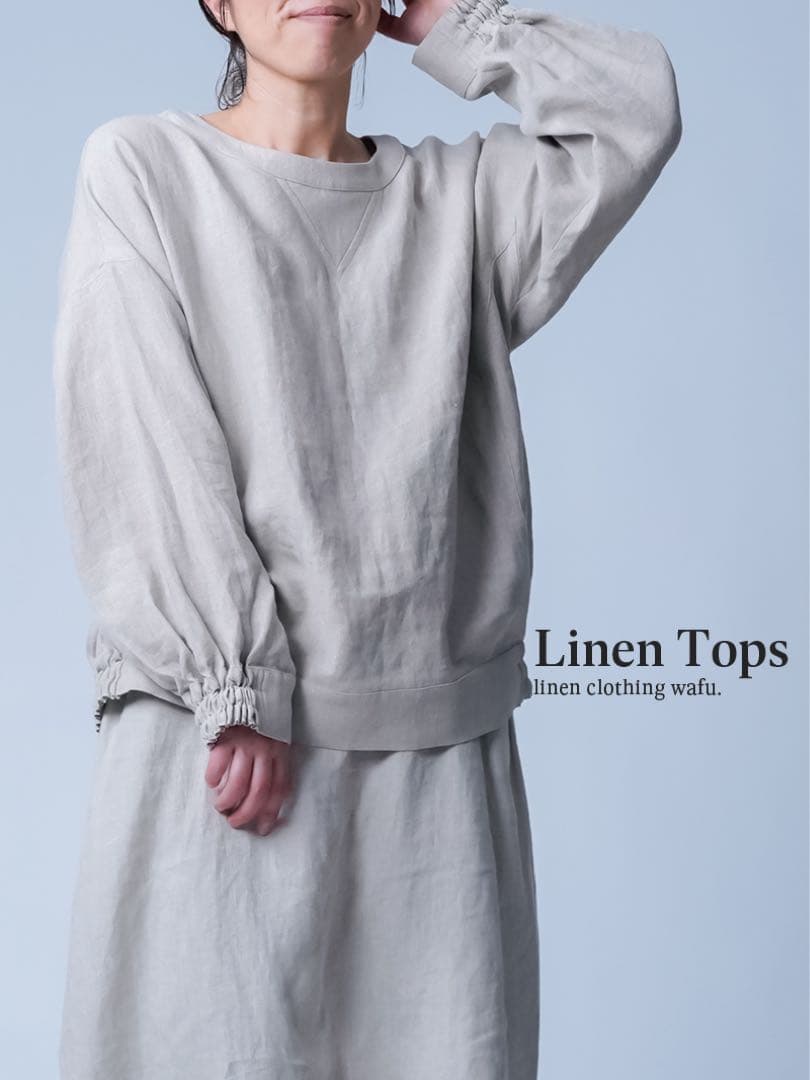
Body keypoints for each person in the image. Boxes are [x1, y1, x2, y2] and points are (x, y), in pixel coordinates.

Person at [52, 0, 682, 1076]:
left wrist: (455, 23)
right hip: (229, 764)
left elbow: (633, 114)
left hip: (440, 789)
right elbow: (140, 435)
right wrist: (238, 682)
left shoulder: (462, 203)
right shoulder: (146, 170)